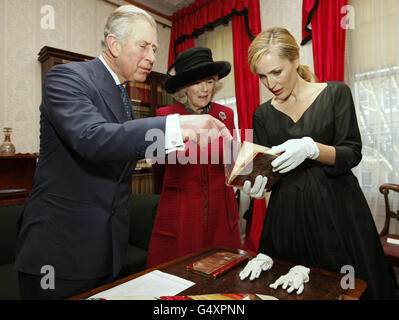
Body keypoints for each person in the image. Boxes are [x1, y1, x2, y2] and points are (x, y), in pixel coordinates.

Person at [14, 5, 232, 300]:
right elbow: (91, 138)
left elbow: (127, 147)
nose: (152, 57)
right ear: (114, 44)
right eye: (143, 46)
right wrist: (177, 126)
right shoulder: (66, 77)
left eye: (154, 48)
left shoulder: (123, 97)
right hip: (60, 252)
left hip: (107, 250)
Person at [240, 27, 396, 299]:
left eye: (276, 72)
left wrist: (312, 148)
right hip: (287, 217)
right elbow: (266, 168)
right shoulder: (262, 114)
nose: (270, 83)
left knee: (346, 288)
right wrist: (256, 185)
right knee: (289, 290)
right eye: (262, 76)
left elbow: (352, 153)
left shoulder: (336, 93)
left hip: (338, 211)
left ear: (295, 59)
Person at [146, 47, 242, 268]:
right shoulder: (165, 116)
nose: (204, 89)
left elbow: (233, 159)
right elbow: (158, 168)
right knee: (179, 278)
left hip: (221, 211)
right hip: (181, 212)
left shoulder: (225, 114)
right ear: (183, 87)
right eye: (197, 82)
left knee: (222, 281)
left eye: (209, 81)